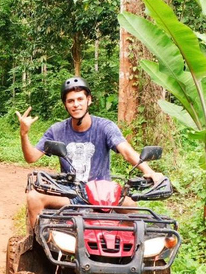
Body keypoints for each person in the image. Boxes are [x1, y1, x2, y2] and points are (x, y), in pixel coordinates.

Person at [16, 76, 164, 229]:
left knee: (132, 207)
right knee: (34, 197)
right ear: (65, 105)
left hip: (104, 195)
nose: (76, 104)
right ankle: (38, 249)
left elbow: (126, 151)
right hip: (70, 194)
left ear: (89, 100)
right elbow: (31, 157)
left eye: (80, 99)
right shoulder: (57, 130)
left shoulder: (105, 127)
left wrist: (149, 171)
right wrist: (24, 134)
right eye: (70, 101)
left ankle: (127, 249)